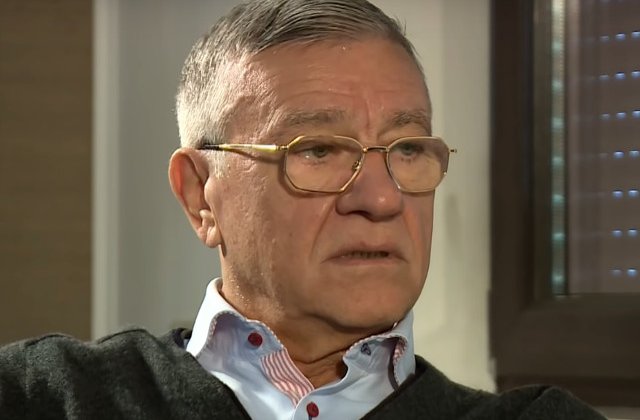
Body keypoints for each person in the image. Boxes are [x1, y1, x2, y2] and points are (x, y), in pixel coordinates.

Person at [0, 1, 605, 419]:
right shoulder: (42, 397)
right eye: (317, 151)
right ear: (200, 195)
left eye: (407, 150)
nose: (382, 199)